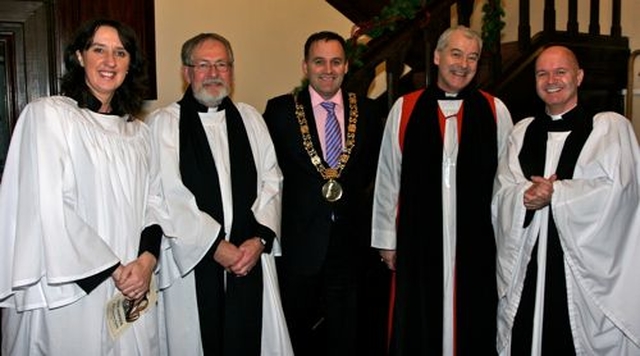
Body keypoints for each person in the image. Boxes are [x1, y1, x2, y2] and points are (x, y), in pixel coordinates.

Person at [0, 19, 166, 355]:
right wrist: (113, 270)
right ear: (79, 57)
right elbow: (48, 205)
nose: (110, 61)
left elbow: (156, 201)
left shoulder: (139, 134)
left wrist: (147, 261)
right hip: (72, 287)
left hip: (134, 283)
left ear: (130, 64)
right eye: (98, 50)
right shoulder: (49, 117)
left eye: (120, 53)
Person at [145, 33, 292, 356]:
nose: (214, 73)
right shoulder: (164, 125)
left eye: (222, 65)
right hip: (193, 263)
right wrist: (214, 246)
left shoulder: (250, 119)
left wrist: (259, 240)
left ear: (232, 71)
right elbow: (167, 195)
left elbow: (272, 180)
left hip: (251, 257)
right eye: (203, 65)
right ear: (187, 72)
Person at [371, 25, 514, 355]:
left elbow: (507, 183)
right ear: (437, 57)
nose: (463, 64)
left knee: (475, 316)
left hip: (477, 241)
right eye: (456, 54)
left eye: (472, 57)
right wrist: (386, 241)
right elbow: (388, 178)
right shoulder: (405, 109)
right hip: (419, 240)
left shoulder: (495, 111)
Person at [492, 45, 640, 355]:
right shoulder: (522, 132)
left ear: (579, 76)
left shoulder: (609, 128)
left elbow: (622, 191)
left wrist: (558, 194)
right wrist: (524, 196)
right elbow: (502, 191)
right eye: (542, 73)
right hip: (530, 260)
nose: (551, 80)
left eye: (561, 72)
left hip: (582, 271)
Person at [262, 31, 385, 356]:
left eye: (335, 61)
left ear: (346, 66)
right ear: (305, 66)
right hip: (298, 245)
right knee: (294, 332)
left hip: (351, 245)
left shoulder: (370, 113)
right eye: (319, 61)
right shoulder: (279, 113)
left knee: (346, 335)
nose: (327, 69)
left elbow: (380, 177)